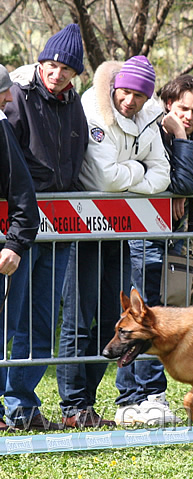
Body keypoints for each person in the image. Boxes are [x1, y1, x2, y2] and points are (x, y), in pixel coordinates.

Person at [55, 56, 171, 428]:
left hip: (119, 230)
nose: (130, 101)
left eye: (139, 95)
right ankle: (73, 405)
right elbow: (103, 179)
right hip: (82, 230)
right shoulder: (93, 108)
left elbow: (163, 176)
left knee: (110, 319)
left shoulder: (149, 118)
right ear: (115, 87)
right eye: (126, 91)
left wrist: (128, 175)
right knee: (77, 321)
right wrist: (139, 170)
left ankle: (88, 404)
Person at [120, 73, 193, 425]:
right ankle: (135, 397)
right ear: (168, 103)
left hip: (174, 237)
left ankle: (147, 397)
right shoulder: (148, 122)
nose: (188, 116)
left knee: (161, 318)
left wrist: (183, 188)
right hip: (140, 231)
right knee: (143, 318)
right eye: (183, 108)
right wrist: (176, 184)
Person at [2, 23, 88, 431]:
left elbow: (81, 151)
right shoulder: (17, 95)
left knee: (41, 321)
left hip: (62, 229)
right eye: (52, 65)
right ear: (41, 62)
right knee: (10, 320)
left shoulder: (75, 104)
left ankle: (24, 403)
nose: (57, 74)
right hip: (21, 225)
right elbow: (10, 156)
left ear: (75, 74)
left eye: (66, 70)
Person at [0, 64, 40, 432]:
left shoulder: (1, 129)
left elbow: (23, 194)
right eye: (4, 91)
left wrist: (15, 244)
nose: (10, 98)